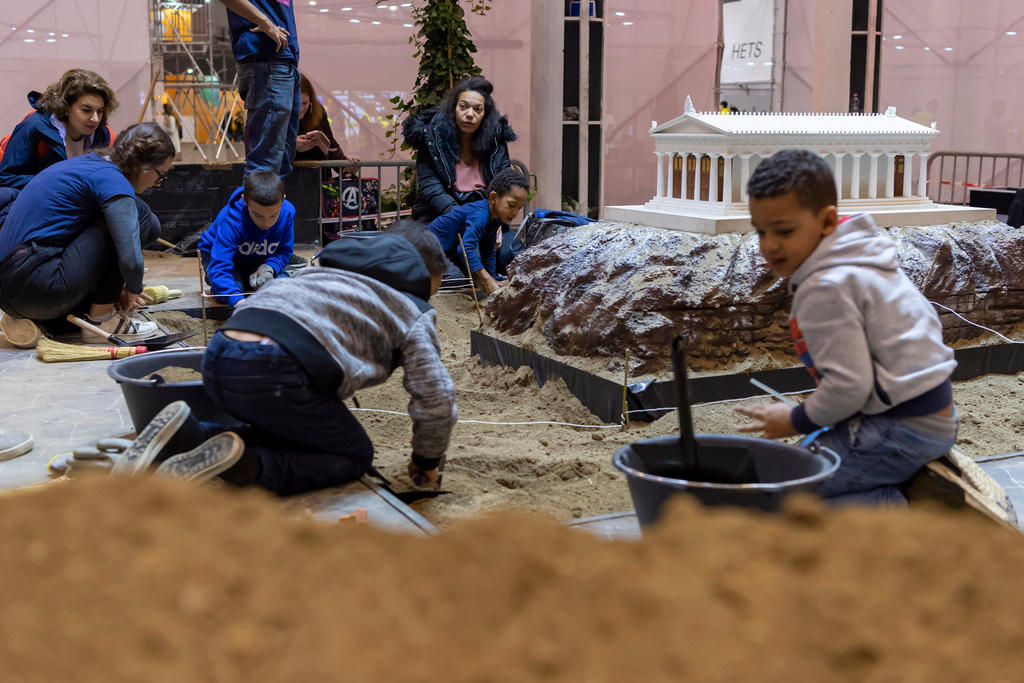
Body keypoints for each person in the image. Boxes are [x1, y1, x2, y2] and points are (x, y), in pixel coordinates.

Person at [121, 221, 458, 495]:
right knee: (352, 454)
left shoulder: (319, 274)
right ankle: (245, 466)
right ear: (417, 273)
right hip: (275, 368)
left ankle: (190, 435)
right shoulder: (411, 309)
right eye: (434, 287)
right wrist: (426, 460)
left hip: (220, 357)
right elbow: (437, 397)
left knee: (295, 433)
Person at [736, 149, 958, 505]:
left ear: (827, 221)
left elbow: (850, 388)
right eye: (760, 231)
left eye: (784, 231)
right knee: (808, 452)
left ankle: (893, 519)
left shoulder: (826, 287)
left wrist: (794, 419)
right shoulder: (861, 253)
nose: (769, 245)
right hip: (925, 411)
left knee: (791, 494)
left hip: (902, 426)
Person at [0, 122, 173, 348]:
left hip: (11, 293)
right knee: (142, 216)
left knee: (126, 219)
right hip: (38, 285)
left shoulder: (85, 165)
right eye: (162, 175)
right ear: (146, 168)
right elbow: (130, 259)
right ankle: (102, 321)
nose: (158, 184)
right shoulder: (112, 180)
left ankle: (51, 322)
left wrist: (117, 286)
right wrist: (132, 287)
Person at [402, 76, 517, 222]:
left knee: (513, 245)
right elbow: (430, 186)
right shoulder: (433, 136)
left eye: (477, 109)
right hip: (439, 213)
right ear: (454, 107)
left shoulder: (495, 137)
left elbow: (504, 182)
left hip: (485, 213)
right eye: (463, 106)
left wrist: (494, 222)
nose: (469, 114)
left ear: (485, 114)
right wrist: (462, 218)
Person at [0, 68, 118, 191]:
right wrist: (55, 181)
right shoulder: (33, 126)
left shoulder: (102, 133)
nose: (95, 119)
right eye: (86, 110)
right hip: (37, 201)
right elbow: (5, 178)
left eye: (100, 111)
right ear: (66, 107)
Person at [220, 0, 300, 178]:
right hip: (266, 58)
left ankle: (271, 205)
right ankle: (253, 206)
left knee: (281, 162)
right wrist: (265, 22)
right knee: (265, 166)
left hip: (284, 61)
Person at [197, 170, 295, 307]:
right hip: (219, 257)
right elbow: (221, 265)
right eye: (257, 215)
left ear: (283, 199)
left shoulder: (287, 214)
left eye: (273, 215)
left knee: (282, 288)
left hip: (257, 257)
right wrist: (238, 302)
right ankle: (218, 278)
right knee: (230, 290)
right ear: (244, 200)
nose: (266, 223)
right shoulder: (230, 221)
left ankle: (244, 277)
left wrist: (269, 267)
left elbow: (284, 251)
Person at [429, 167, 528, 296]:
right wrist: (486, 278)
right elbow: (464, 249)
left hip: (448, 253)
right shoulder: (480, 216)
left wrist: (491, 277)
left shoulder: (495, 218)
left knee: (471, 275)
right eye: (511, 205)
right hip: (429, 249)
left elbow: (489, 250)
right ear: (493, 198)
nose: (515, 212)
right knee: (457, 280)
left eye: (520, 208)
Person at [295, 73, 348, 162]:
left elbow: (329, 143)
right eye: (295, 104)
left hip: (320, 173)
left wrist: (344, 166)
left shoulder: (318, 110)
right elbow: (267, 151)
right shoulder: (275, 114)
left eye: (305, 103)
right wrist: (292, 146)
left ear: (310, 100)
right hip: (290, 174)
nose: (300, 109)